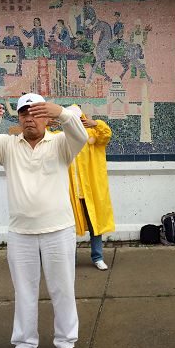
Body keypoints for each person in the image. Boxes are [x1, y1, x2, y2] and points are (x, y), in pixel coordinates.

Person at [0, 93, 88, 348]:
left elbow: (81, 136)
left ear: (46, 116)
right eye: (24, 114)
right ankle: (24, 342)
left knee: (63, 288)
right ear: (18, 118)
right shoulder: (7, 146)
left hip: (58, 229)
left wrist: (63, 113)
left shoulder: (61, 143)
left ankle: (66, 341)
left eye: (36, 113)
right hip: (21, 233)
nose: (30, 119)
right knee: (24, 290)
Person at [64, 106, 115, 270]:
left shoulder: (92, 136)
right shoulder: (62, 137)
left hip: (91, 190)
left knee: (95, 225)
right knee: (68, 228)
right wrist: (50, 123)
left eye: (78, 120)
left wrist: (95, 123)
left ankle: (97, 257)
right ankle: (70, 259)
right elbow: (46, 136)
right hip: (70, 191)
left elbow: (106, 134)